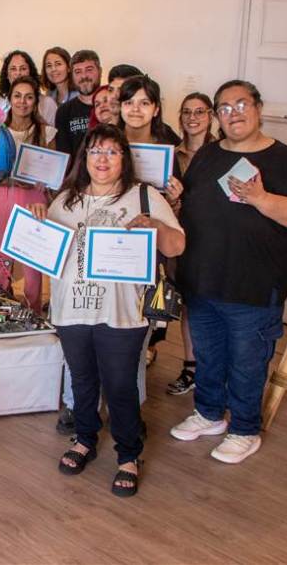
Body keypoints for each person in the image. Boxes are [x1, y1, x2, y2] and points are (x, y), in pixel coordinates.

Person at [29, 124, 185, 497]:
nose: (103, 159)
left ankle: (128, 455)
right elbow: (47, 252)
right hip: (72, 309)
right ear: (85, 157)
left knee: (119, 385)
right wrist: (38, 222)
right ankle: (84, 439)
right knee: (82, 381)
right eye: (96, 151)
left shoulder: (144, 196)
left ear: (124, 159)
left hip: (123, 312)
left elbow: (177, 245)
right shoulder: (65, 198)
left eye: (112, 152)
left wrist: (156, 225)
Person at [172, 80, 287, 464]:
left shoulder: (285, 159)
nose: (233, 113)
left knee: (247, 362)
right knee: (208, 354)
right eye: (224, 107)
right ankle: (208, 414)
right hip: (203, 279)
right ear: (217, 116)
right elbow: (190, 203)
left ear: (258, 108)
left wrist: (261, 198)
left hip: (254, 286)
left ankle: (244, 429)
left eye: (241, 104)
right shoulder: (207, 155)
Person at [117, 75, 183, 365]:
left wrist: (175, 199)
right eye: (129, 102)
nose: (135, 109)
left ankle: (143, 354)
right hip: (114, 233)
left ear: (156, 109)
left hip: (150, 238)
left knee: (143, 306)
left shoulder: (169, 149)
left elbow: (175, 214)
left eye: (144, 103)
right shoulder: (109, 141)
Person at [0, 76, 55, 312]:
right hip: (1, 196)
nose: (22, 102)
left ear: (35, 101)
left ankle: (33, 311)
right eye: (17, 96)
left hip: (34, 200)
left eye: (28, 97)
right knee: (1, 258)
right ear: (9, 99)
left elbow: (53, 172)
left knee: (31, 260)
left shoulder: (46, 132)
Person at [166, 92, 216, 396]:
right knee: (186, 303)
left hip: (212, 238)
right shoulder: (171, 155)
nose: (193, 118)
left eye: (199, 111)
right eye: (187, 111)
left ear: (210, 115)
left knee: (209, 305)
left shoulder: (221, 153)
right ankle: (191, 366)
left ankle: (213, 370)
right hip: (179, 234)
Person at [54, 49, 101, 160]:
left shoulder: (110, 106)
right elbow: (64, 156)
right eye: (78, 72)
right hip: (76, 176)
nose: (84, 76)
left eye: (89, 70)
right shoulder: (64, 111)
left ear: (100, 71)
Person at [0, 50, 58, 126]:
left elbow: (55, 134)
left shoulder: (47, 103)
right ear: (6, 74)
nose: (18, 73)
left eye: (23, 68)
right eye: (13, 69)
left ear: (31, 72)